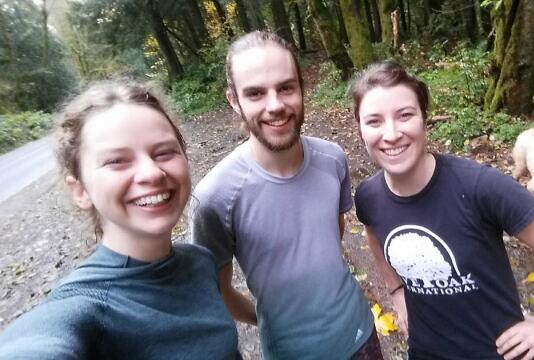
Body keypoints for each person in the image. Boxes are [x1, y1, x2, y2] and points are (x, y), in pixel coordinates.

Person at [350, 62, 534, 360]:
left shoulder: (480, 186)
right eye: (374, 121)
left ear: (424, 118)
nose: (391, 134)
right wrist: (397, 290)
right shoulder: (368, 196)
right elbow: (373, 232)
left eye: (405, 115)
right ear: (360, 128)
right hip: (425, 351)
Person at [0, 81, 241, 359]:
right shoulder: (86, 308)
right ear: (79, 191)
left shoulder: (200, 262)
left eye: (164, 153)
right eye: (117, 161)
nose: (151, 173)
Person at [190, 31, 380, 359]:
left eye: (286, 87)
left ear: (301, 88)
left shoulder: (333, 158)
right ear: (233, 100)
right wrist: (268, 319)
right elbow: (218, 292)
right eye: (255, 93)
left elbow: (331, 236)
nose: (275, 105)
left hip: (362, 334)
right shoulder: (214, 198)